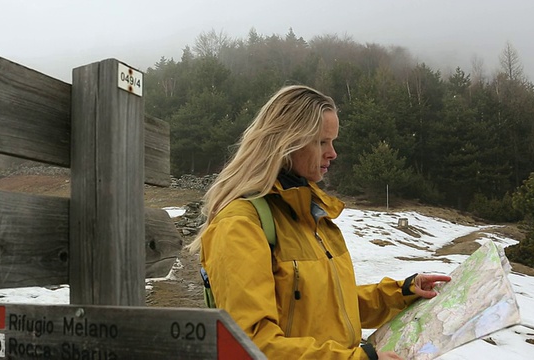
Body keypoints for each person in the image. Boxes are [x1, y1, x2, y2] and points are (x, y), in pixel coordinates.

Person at [187, 84, 451, 360]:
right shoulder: (241, 224)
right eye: (321, 142)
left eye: (333, 141)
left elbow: (333, 308)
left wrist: (402, 292)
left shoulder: (314, 216)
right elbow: (251, 344)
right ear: (288, 141)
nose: (332, 153)